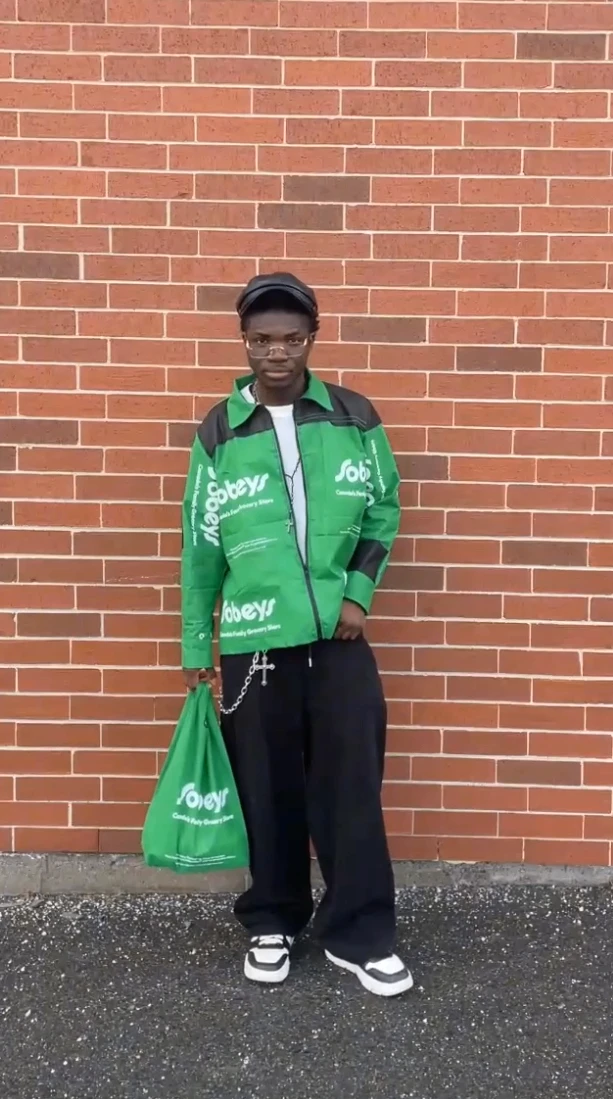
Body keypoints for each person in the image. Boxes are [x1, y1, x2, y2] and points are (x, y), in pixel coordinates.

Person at [181, 272, 413, 997]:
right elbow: (200, 545)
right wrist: (199, 645)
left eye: (289, 338)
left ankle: (360, 931)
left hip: (338, 642)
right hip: (254, 642)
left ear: (310, 338)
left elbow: (384, 508)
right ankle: (273, 920)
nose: (275, 352)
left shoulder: (352, 415)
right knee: (267, 786)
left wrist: (358, 594)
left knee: (350, 787)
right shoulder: (219, 429)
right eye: (260, 339)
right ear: (243, 342)